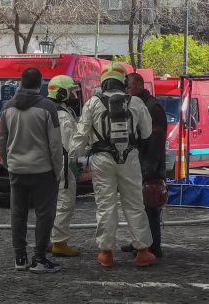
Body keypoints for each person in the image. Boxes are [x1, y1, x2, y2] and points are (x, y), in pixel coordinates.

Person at [69, 62, 156, 268]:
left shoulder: (92, 103)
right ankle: (143, 251)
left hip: (101, 160)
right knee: (134, 204)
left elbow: (80, 136)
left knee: (105, 205)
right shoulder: (135, 102)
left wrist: (73, 158)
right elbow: (147, 133)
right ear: (123, 82)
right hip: (129, 159)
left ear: (103, 82)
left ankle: (106, 253)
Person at [0, 67, 63, 273]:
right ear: (40, 83)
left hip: (17, 169)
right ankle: (40, 259)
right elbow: (55, 144)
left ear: (21, 82)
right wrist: (57, 170)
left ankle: (20, 257)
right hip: (42, 170)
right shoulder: (47, 107)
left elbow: (0, 140)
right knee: (45, 215)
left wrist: (8, 163)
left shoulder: (7, 107)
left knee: (18, 214)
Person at [121, 73, 167, 258]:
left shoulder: (152, 107)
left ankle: (154, 245)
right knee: (137, 206)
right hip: (139, 162)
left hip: (149, 164)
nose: (127, 90)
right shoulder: (136, 104)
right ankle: (139, 241)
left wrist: (149, 166)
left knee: (150, 206)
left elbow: (155, 141)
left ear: (139, 85)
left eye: (129, 86)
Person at [47, 75, 82, 257]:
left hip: (47, 165)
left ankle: (48, 239)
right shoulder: (63, 116)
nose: (74, 95)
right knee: (64, 203)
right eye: (71, 91)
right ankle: (59, 242)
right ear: (62, 93)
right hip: (63, 164)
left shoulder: (46, 110)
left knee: (49, 204)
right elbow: (71, 147)